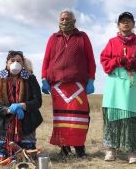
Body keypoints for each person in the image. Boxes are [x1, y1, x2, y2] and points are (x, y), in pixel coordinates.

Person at [100, 12, 136, 164]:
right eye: (122, 21)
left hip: (134, 85)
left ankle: (133, 151)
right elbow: (104, 62)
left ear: (133, 24)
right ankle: (111, 148)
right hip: (116, 85)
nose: (125, 23)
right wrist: (119, 60)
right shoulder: (112, 42)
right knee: (113, 116)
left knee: (134, 117)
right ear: (118, 25)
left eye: (128, 21)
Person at [41, 9, 96, 158]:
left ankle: (79, 148)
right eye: (62, 19)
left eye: (68, 19)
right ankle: (64, 148)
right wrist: (44, 79)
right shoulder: (53, 38)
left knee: (79, 117)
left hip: (78, 85)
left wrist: (91, 79)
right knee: (61, 119)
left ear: (74, 21)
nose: (65, 21)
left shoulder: (82, 37)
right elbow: (46, 59)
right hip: (58, 86)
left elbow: (90, 59)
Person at [0, 51, 43, 164]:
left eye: (19, 61)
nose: (15, 63)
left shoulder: (30, 78)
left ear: (23, 63)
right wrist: (8, 109)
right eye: (12, 61)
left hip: (26, 121)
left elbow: (37, 101)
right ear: (7, 63)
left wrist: (22, 105)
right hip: (1, 121)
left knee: (26, 158)